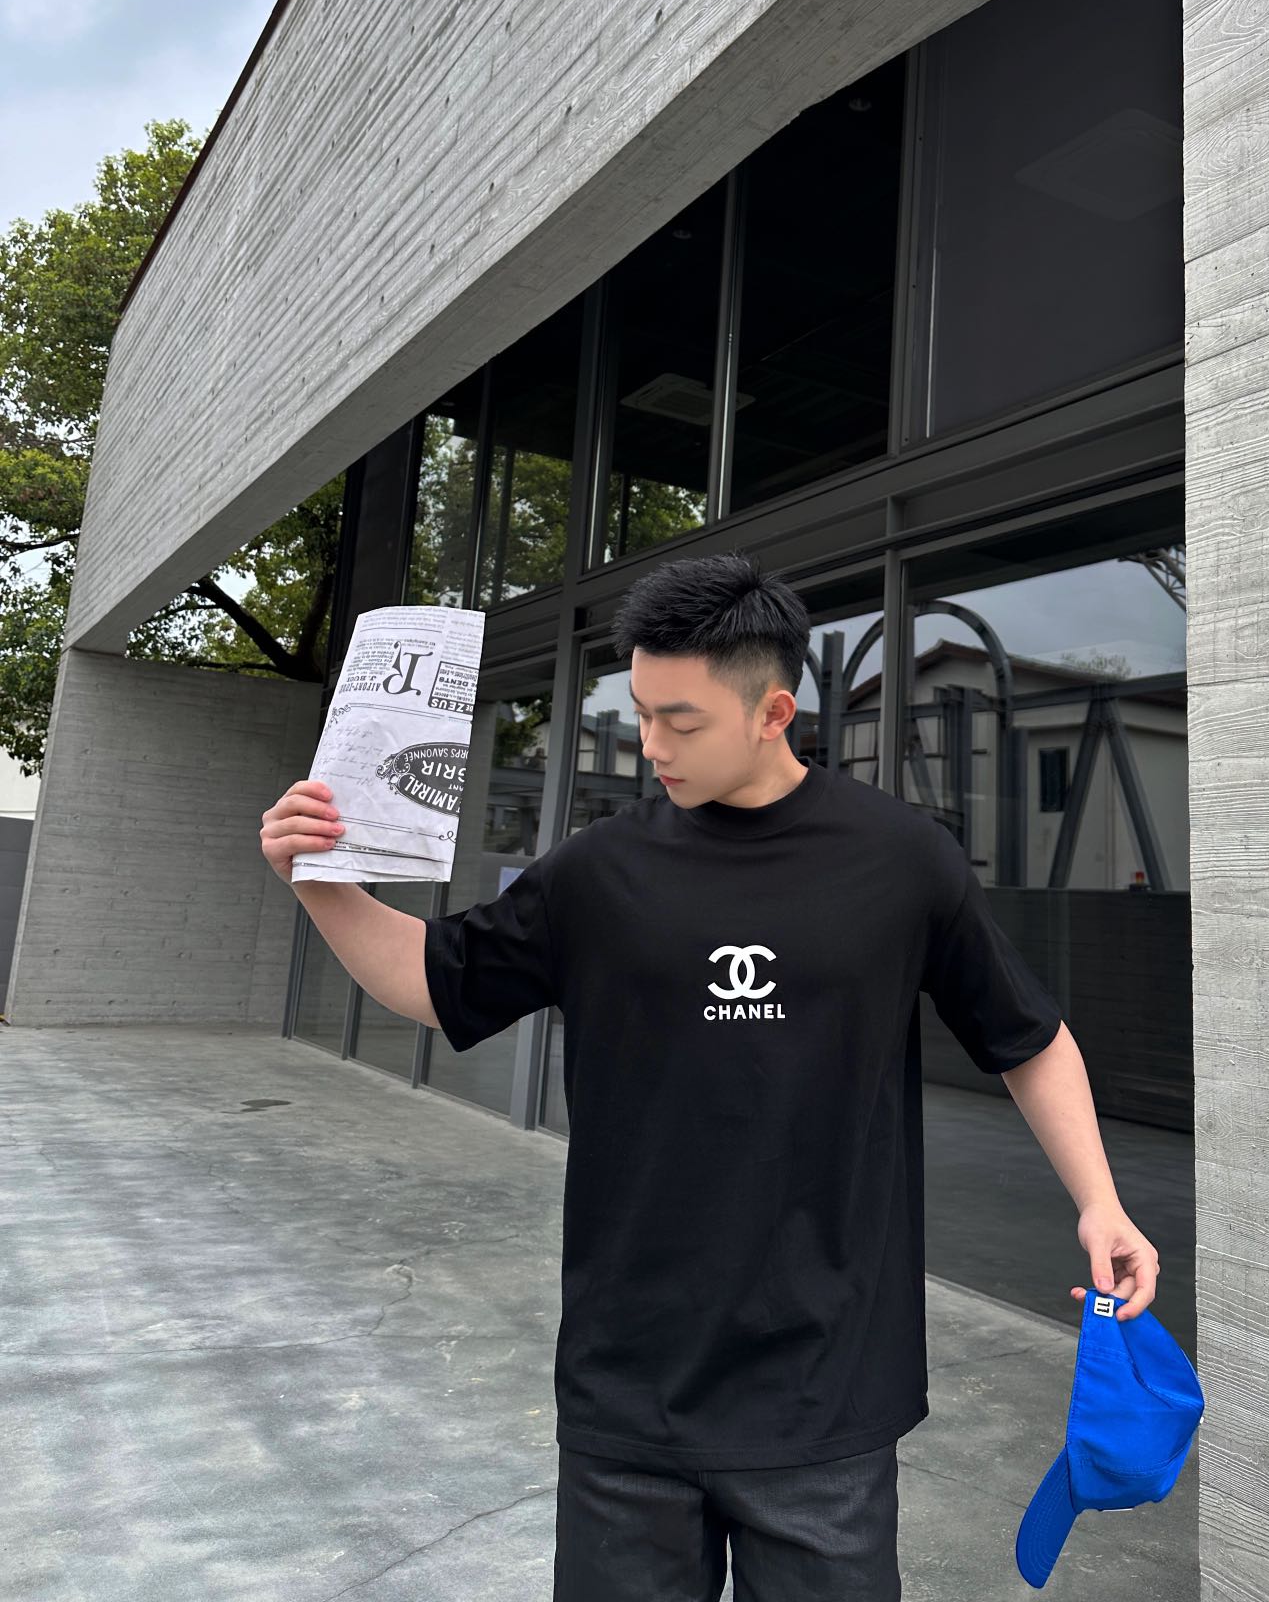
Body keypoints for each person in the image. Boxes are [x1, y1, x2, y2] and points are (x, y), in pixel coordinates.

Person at [260, 549, 1160, 1599]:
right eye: (642, 713)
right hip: (628, 1392)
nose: (651, 745)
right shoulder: (598, 872)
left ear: (774, 713)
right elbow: (432, 979)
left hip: (826, 1393)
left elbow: (1029, 1038)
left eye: (680, 722)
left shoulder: (901, 858)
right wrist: (318, 881)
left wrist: (1101, 1202)